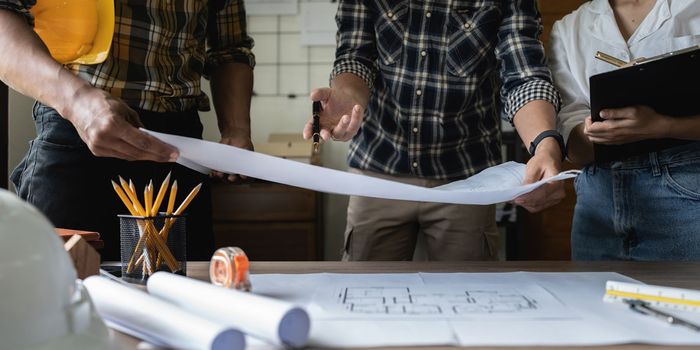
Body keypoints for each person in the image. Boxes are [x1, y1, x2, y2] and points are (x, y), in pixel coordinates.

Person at [303, 1, 566, 261]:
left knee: (471, 294)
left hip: (467, 178)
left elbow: (524, 74)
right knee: (363, 291)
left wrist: (544, 143)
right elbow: (356, 57)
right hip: (379, 167)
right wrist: (347, 99)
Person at [0, 0, 255, 260]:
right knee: (60, 287)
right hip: (78, 130)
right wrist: (77, 101)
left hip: (181, 150)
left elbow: (230, 48)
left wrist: (236, 129)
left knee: (185, 290)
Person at [549, 0, 700, 260]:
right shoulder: (569, 29)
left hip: (686, 191)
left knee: (685, 299)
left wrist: (664, 126)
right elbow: (573, 140)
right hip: (598, 197)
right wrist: (595, 132)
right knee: (590, 299)